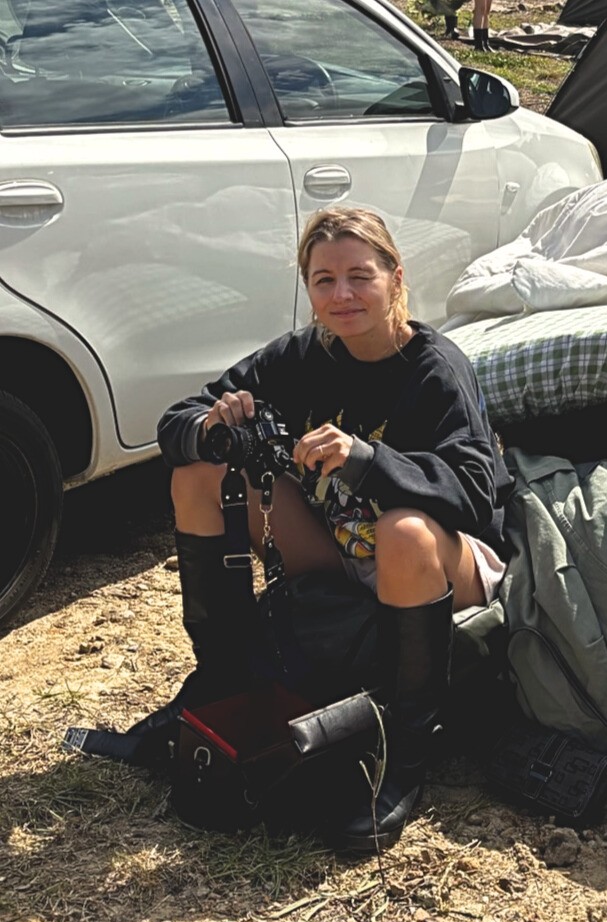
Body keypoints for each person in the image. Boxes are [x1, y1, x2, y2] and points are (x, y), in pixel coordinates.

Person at [154, 207, 513, 852]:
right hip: (344, 552)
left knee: (402, 530)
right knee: (198, 477)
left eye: (359, 277)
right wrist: (213, 428)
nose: (342, 296)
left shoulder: (435, 367)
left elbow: (475, 493)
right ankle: (227, 682)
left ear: (395, 278)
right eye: (324, 281)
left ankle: (404, 755)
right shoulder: (301, 356)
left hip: (443, 562)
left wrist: (368, 461)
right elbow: (175, 421)